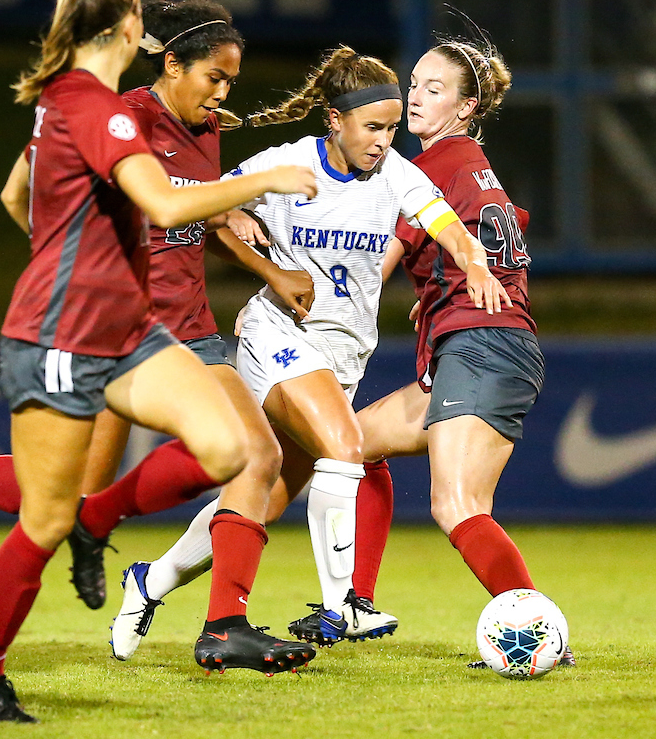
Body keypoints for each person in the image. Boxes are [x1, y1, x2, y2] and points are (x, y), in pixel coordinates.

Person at [0, 0, 318, 723]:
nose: (224, 92)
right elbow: (163, 206)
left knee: (234, 452)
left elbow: (18, 194)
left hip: (136, 330)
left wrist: (79, 247)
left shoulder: (74, 102)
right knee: (47, 514)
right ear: (133, 31)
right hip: (65, 335)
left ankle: (124, 541)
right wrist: (264, 183)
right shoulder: (106, 110)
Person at [114, 35, 574, 669]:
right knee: (352, 450)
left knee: (270, 489)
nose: (388, 134)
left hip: (348, 352)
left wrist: (464, 265)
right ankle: (347, 604)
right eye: (377, 121)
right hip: (280, 334)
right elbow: (199, 208)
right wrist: (249, 243)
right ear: (336, 121)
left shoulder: (404, 171)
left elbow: (450, 230)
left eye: (402, 115)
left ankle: (155, 580)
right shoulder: (289, 164)